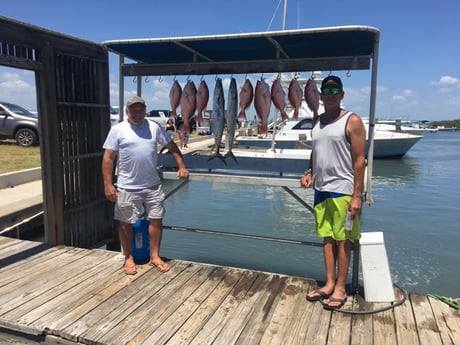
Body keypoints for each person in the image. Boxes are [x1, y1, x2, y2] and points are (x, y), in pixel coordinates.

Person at [102, 96, 189, 275]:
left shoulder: (153, 127)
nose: (137, 113)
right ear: (127, 112)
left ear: (145, 111)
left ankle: (155, 256)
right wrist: (108, 184)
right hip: (127, 186)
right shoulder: (118, 130)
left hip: (152, 185)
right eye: (133, 110)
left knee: (156, 220)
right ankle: (128, 257)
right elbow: (108, 158)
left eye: (140, 110)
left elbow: (172, 146)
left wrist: (182, 166)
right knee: (126, 223)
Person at [300, 76, 366, 310]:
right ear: (320, 94)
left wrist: (357, 195)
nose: (330, 94)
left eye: (335, 90)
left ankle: (340, 287)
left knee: (343, 241)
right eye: (326, 90)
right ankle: (328, 283)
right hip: (321, 190)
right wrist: (309, 172)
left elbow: (360, 161)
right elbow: (316, 151)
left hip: (344, 192)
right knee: (327, 239)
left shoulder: (352, 120)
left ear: (342, 94)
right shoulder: (317, 121)